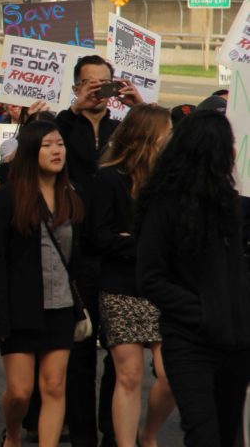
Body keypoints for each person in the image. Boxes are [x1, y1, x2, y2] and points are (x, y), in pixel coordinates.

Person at [137, 110, 250, 447]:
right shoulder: (164, 205)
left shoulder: (231, 205)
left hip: (237, 341)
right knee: (203, 433)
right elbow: (151, 277)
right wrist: (203, 310)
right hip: (190, 341)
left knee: (229, 433)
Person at [54, 54, 142, 447]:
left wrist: (138, 106)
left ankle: (113, 429)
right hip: (72, 251)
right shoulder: (61, 126)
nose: (98, 92)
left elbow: (161, 145)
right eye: (90, 84)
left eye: (105, 84)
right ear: (76, 86)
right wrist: (74, 110)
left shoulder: (122, 129)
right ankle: (82, 435)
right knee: (78, 351)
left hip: (113, 249)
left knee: (121, 351)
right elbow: (35, 147)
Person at [0, 120, 85, 447]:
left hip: (61, 307)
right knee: (20, 392)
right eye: (48, 145)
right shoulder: (9, 197)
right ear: (31, 151)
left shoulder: (71, 195)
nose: (57, 151)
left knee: (54, 387)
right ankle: (12, 434)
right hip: (20, 308)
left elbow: (79, 257)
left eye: (60, 143)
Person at [86, 104, 175, 447]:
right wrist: (145, 245)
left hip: (162, 288)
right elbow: (98, 238)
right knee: (129, 375)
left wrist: (138, 241)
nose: (171, 139)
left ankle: (148, 434)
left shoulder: (168, 181)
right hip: (121, 287)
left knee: (171, 375)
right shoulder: (108, 178)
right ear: (149, 136)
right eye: (166, 132)